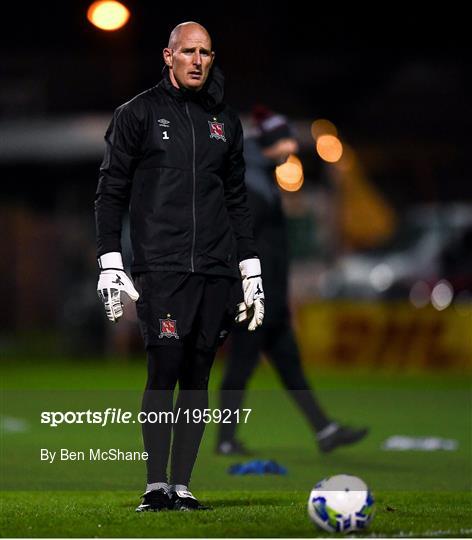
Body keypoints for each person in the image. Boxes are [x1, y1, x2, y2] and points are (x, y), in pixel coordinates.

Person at [95, 22, 265, 512]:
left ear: (213, 58)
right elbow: (110, 192)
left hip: (216, 269)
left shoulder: (225, 123)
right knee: (164, 366)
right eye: (187, 51)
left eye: (205, 52)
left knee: (197, 375)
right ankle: (154, 485)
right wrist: (110, 260)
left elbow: (237, 201)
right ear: (167, 56)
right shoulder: (138, 113)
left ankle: (183, 486)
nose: (197, 60)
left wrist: (250, 269)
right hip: (161, 267)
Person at [216, 106, 368, 456]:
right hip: (257, 298)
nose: (290, 148)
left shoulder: (259, 180)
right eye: (284, 141)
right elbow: (239, 246)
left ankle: (324, 430)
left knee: (288, 370)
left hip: (272, 299)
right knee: (240, 368)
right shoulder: (250, 188)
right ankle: (225, 440)